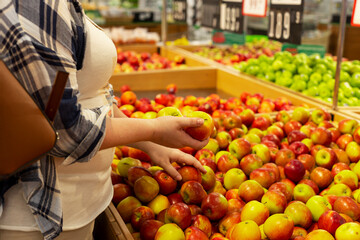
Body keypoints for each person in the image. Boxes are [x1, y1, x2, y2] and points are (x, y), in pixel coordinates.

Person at [0, 1, 208, 239]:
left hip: (80, 205)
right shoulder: (38, 4)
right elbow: (63, 130)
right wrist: (153, 129)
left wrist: (149, 144)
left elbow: (88, 97)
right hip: (38, 219)